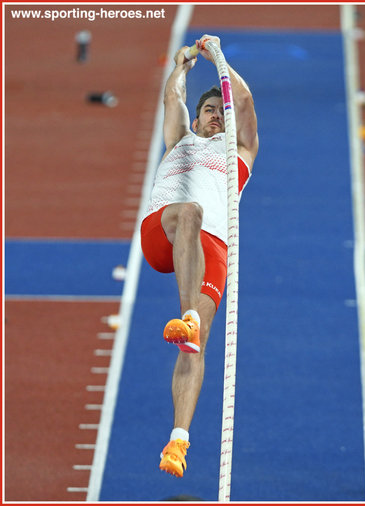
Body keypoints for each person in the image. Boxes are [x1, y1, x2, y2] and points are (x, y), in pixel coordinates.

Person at [140, 34, 259, 478]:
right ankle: (187, 312)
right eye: (208, 111)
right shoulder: (180, 140)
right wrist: (184, 66)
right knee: (190, 210)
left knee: (196, 343)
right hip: (165, 227)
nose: (215, 118)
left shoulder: (240, 154)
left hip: (213, 245)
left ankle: (177, 441)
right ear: (198, 117)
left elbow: (242, 103)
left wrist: (222, 62)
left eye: (219, 113)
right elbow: (173, 97)